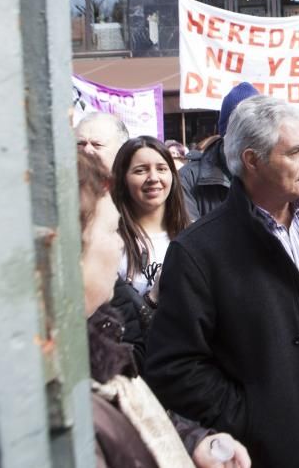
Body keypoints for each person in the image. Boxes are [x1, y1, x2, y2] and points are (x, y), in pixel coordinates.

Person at [145, 96, 299, 467]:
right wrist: (252, 417)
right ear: (253, 160)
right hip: (268, 454)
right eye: (296, 152)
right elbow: (174, 366)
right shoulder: (198, 252)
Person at [77, 151, 251, 468]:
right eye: (110, 230)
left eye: (161, 168)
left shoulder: (92, 351)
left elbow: (133, 416)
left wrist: (193, 441)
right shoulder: (68, 401)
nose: (118, 244)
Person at [108, 136, 190, 370]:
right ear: (123, 179)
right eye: (141, 170)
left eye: (161, 168)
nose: (153, 178)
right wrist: (152, 299)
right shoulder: (112, 241)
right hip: (139, 364)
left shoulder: (194, 234)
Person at [179, 82, 259, 221]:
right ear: (225, 132)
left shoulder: (273, 171)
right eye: (241, 126)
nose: (249, 135)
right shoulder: (188, 178)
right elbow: (191, 236)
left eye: (256, 127)